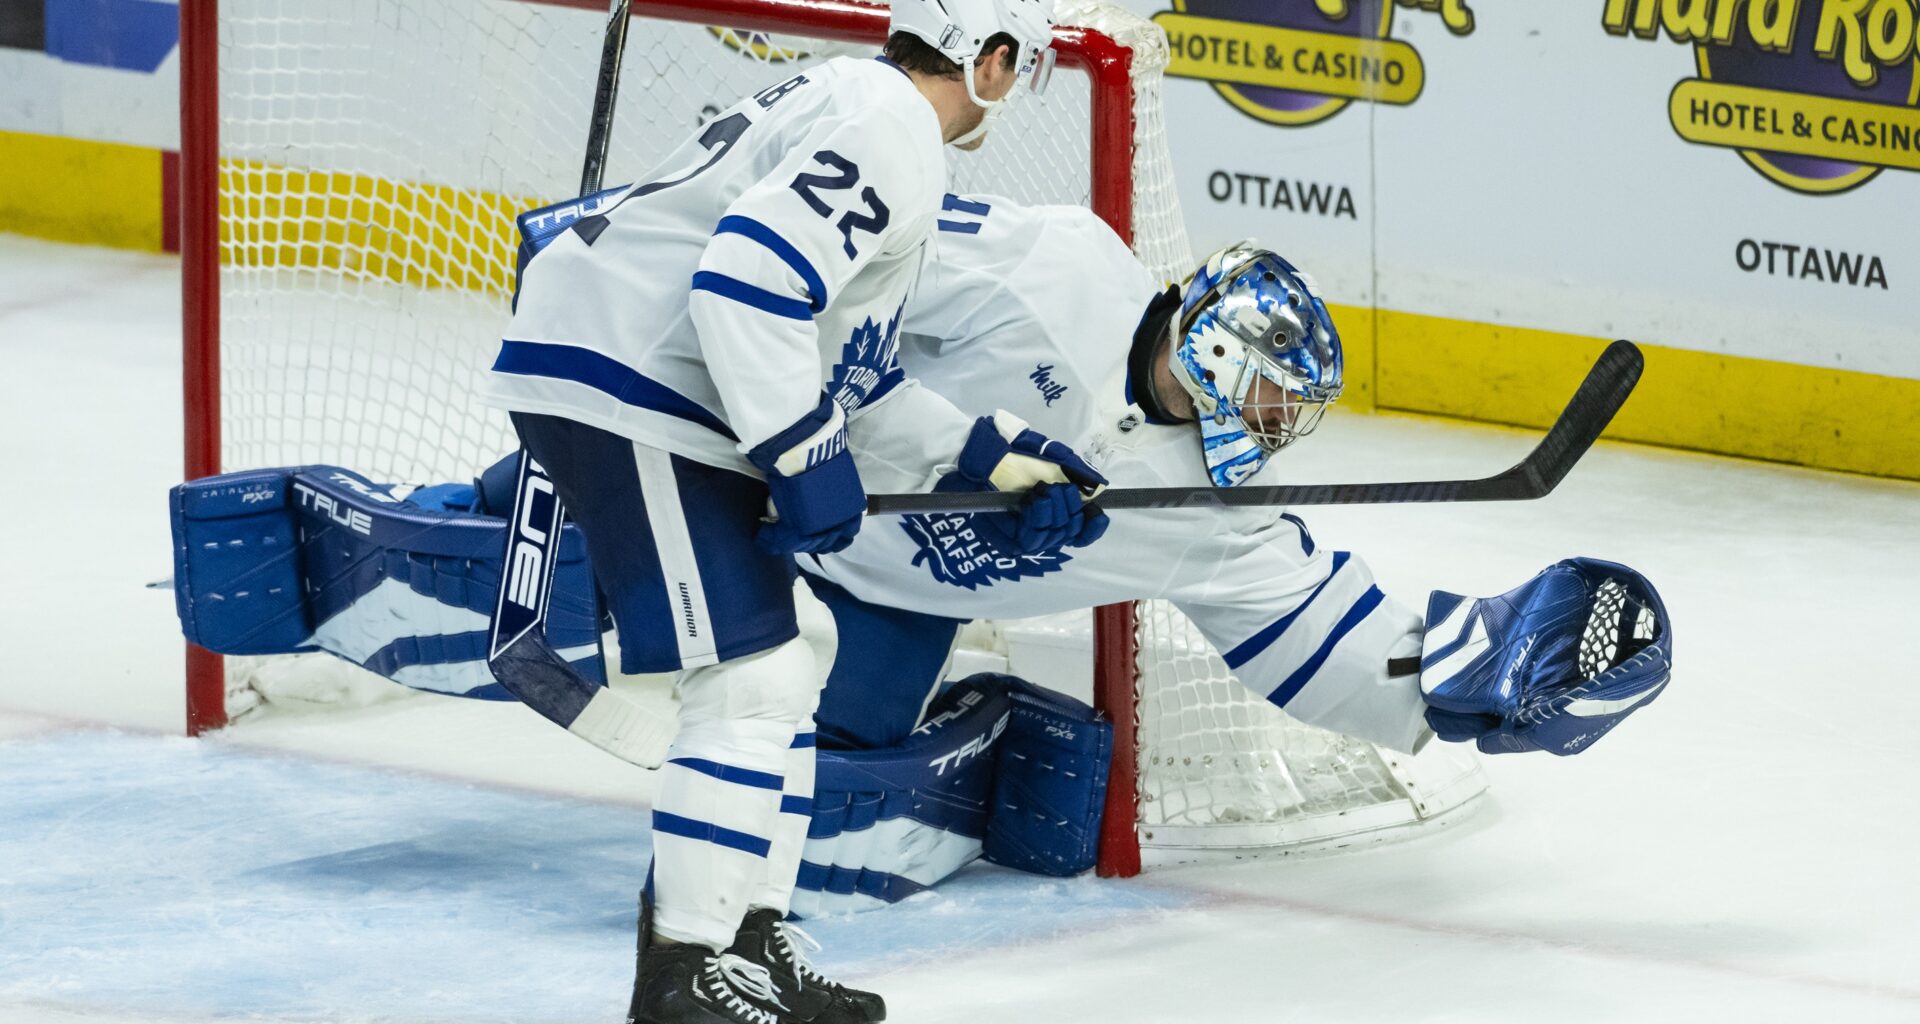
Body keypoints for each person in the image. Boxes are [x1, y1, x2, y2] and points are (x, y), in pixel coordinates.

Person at [478, 1, 1101, 1020]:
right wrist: (805, 457)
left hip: (633, 367)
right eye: (1015, 67)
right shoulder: (890, 129)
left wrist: (994, 458)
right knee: (755, 675)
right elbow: (743, 285)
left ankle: (748, 940)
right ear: (989, 63)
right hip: (631, 380)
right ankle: (682, 976)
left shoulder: (857, 100)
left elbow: (853, 376)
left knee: (794, 650)